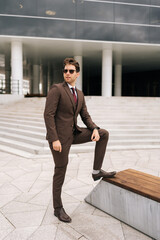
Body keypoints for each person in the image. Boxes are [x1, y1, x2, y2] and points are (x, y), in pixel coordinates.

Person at [44, 58, 116, 223]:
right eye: (65, 71)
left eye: (70, 71)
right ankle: (57, 208)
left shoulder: (79, 94)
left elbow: (85, 116)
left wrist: (95, 129)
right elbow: (48, 115)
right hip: (59, 139)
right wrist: (54, 139)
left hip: (74, 133)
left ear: (77, 74)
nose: (67, 74)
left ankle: (96, 171)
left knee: (104, 134)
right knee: (60, 170)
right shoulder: (56, 89)